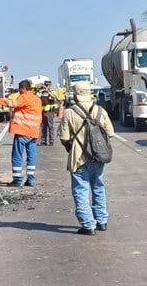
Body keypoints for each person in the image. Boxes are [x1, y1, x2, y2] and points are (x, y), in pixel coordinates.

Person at [58, 81, 115, 235]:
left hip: (79, 157)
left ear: (75, 95)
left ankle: (88, 225)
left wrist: (71, 147)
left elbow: (63, 137)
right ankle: (101, 221)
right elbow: (110, 133)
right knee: (98, 187)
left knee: (80, 190)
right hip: (98, 156)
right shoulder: (100, 110)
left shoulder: (70, 112)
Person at [0, 79, 42, 187]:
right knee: (31, 156)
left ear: (23, 88)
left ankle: (17, 179)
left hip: (23, 130)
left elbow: (12, 103)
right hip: (33, 131)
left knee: (17, 155)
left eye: (19, 89)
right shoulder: (37, 99)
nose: (19, 92)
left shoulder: (24, 97)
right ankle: (31, 179)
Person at [37, 80, 58, 146]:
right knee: (43, 126)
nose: (46, 86)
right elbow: (37, 97)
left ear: (50, 85)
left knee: (50, 126)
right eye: (45, 85)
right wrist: (38, 90)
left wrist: (48, 91)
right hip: (43, 111)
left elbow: (54, 97)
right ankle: (43, 140)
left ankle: (51, 141)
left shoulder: (52, 91)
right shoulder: (42, 92)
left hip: (50, 112)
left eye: (47, 85)